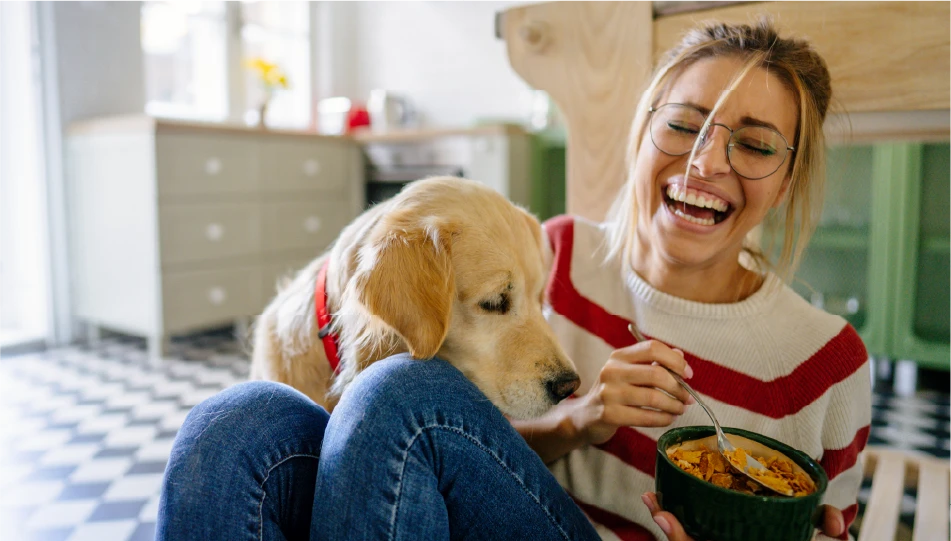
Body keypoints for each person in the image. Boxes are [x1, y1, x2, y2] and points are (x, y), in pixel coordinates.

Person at [155, 17, 870, 541]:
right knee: (231, 423)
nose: (706, 162)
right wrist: (579, 419)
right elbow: (460, 450)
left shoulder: (827, 363)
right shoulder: (548, 251)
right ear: (642, 133)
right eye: (684, 125)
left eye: (753, 144)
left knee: (397, 391)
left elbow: (828, 527)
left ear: (786, 179)